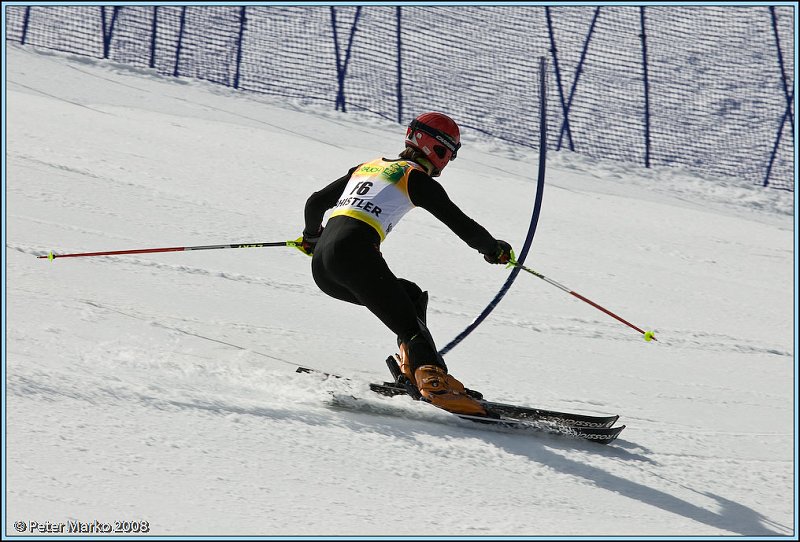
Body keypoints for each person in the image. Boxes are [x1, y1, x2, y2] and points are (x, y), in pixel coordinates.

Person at [298, 112, 513, 416]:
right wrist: (494, 249)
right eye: (448, 153)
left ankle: (413, 370)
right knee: (411, 327)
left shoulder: (367, 167)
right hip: (355, 256)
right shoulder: (414, 178)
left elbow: (315, 202)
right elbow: (460, 223)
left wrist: (311, 238)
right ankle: (434, 385)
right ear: (435, 148)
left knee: (409, 297)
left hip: (322, 269)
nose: (447, 161)